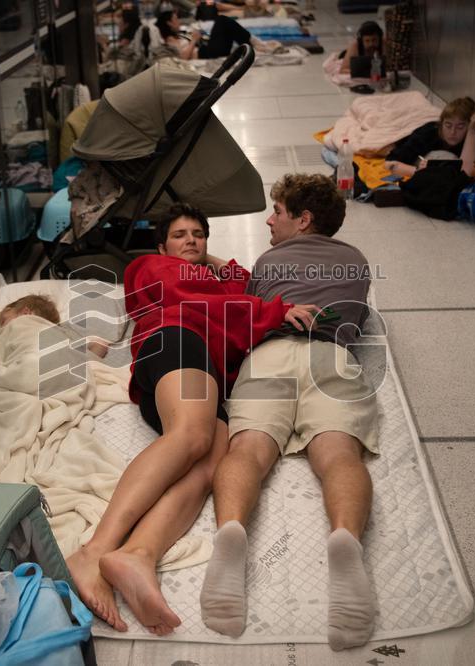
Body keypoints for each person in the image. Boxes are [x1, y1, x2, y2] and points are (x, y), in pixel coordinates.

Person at [65, 203, 319, 636]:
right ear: (161, 245)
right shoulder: (151, 266)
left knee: (210, 464)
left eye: (199, 234)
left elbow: (240, 284)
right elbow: (204, 295)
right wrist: (271, 311)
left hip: (202, 371)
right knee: (191, 436)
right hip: (174, 340)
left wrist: (211, 262)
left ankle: (139, 554)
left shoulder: (209, 278)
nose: (192, 241)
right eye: (180, 235)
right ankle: (93, 553)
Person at [199, 173, 380, 650]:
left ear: (303, 220)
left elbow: (251, 308)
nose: (268, 219)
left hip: (272, 354)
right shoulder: (357, 262)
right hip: (332, 358)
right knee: (340, 455)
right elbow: (356, 321)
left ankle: (232, 531)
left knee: (250, 448)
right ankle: (345, 540)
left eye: (276, 212)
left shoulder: (268, 261)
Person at [385, 96, 475, 179]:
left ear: (469, 125)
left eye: (460, 127)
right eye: (448, 125)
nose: (453, 132)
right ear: (441, 123)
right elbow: (390, 162)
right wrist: (422, 173)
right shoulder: (428, 134)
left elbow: (470, 174)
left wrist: (471, 132)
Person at [155, 8, 253, 60]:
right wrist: (193, 40)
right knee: (222, 20)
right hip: (207, 54)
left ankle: (250, 45)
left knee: (225, 24)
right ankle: (251, 44)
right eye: (176, 19)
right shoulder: (170, 40)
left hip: (208, 49)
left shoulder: (179, 34)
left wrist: (197, 36)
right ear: (169, 23)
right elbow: (183, 57)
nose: (179, 22)